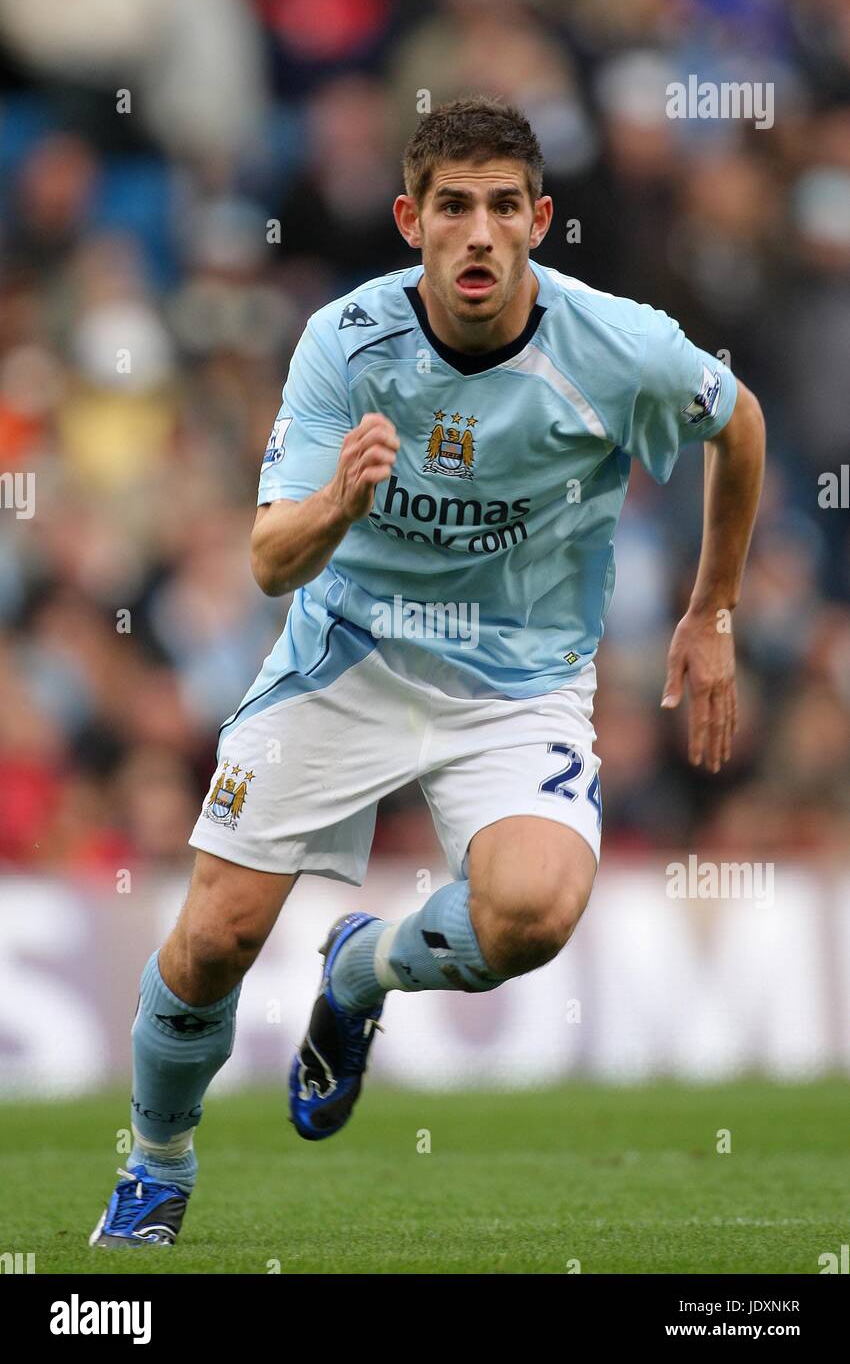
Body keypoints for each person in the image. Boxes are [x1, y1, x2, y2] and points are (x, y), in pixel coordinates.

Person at [90, 95, 765, 1247]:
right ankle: (155, 1164)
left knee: (536, 912)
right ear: (411, 218)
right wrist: (339, 503)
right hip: (346, 655)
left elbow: (737, 422)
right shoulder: (343, 345)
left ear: (541, 220)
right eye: (454, 206)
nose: (480, 233)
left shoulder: (617, 345)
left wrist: (712, 607)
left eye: (505, 207)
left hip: (517, 682)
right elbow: (265, 561)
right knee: (213, 940)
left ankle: (360, 974)